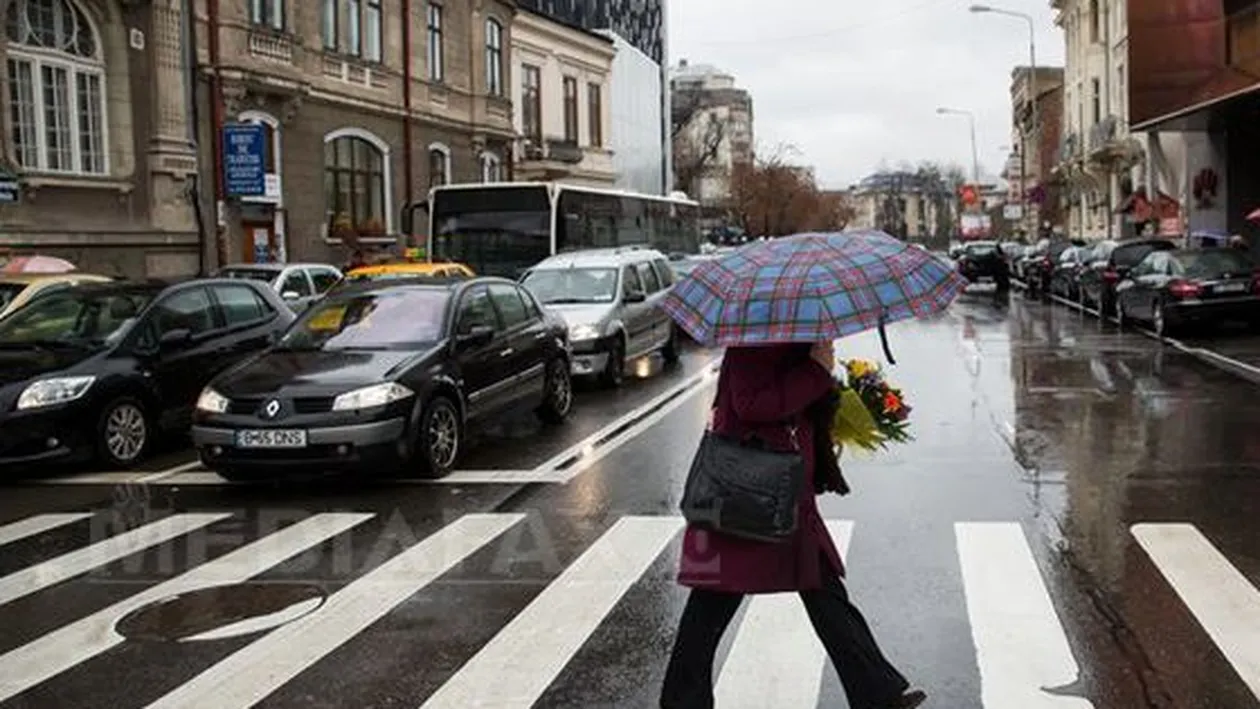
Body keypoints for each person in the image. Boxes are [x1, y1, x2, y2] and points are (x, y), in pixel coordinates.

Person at [660, 341, 925, 709]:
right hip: (751, 490)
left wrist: (834, 398)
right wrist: (815, 370)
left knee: (823, 591)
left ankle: (876, 692)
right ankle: (681, 700)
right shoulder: (756, 337)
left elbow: (790, 396)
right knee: (714, 600)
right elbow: (751, 404)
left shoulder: (790, 331)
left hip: (782, 490)